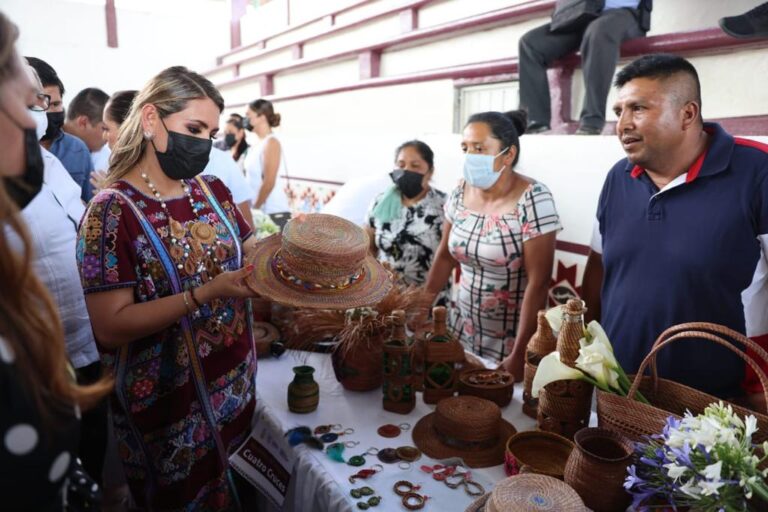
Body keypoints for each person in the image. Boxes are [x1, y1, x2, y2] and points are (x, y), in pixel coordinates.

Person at [77, 65, 258, 510]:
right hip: (168, 410)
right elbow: (110, 327)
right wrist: (205, 293)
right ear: (152, 119)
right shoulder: (111, 212)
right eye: (193, 128)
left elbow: (252, 252)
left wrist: (303, 250)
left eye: (211, 133)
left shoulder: (212, 190)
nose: (203, 143)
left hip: (235, 386)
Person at [581, 54, 768, 411]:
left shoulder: (758, 173)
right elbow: (599, 269)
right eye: (618, 111)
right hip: (621, 393)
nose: (622, 124)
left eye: (638, 108)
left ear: (687, 113)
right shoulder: (617, 178)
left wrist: (758, 390)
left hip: (718, 407)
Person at [0, 11, 111, 510]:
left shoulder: (46, 163)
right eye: (29, 103)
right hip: (53, 348)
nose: (37, 119)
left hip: (79, 343)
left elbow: (82, 228)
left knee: (92, 445)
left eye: (43, 103)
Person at [425, 110, 561, 378]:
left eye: (479, 148)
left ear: (508, 155)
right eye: (465, 148)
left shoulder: (534, 199)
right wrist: (420, 306)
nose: (470, 156)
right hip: (460, 328)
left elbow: (539, 282)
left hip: (509, 340)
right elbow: (444, 256)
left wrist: (521, 351)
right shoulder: (459, 192)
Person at [519, 0, 652, 135]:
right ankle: (534, 121)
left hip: (625, 13)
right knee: (531, 43)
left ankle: (592, 121)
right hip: (582, 14)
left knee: (598, 31)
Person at [365, 140, 448, 301]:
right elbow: (368, 248)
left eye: (415, 166)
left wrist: (425, 299)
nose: (406, 170)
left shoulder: (444, 206)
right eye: (401, 165)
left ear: (430, 171)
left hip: (427, 300)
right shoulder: (380, 202)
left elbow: (447, 257)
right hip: (385, 299)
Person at [26, 56, 94, 201]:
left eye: (56, 104)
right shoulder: (11, 154)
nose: (48, 111)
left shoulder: (77, 149)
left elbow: (91, 207)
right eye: (42, 104)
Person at [243, 98, 291, 228]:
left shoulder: (272, 142)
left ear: (261, 117)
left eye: (248, 115)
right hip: (260, 213)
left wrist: (255, 209)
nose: (245, 119)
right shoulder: (256, 145)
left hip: (273, 214)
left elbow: (269, 182)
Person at [64, 86, 110, 199]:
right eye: (104, 129)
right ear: (83, 122)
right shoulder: (47, 149)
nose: (107, 136)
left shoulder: (103, 155)